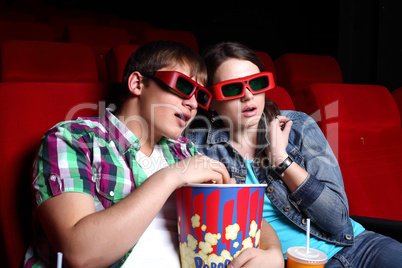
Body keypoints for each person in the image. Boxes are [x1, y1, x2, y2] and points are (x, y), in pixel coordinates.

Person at [24, 40, 283, 268]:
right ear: (137, 83)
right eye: (182, 86)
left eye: (200, 95)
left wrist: (273, 253)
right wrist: (170, 177)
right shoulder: (75, 139)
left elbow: (246, 209)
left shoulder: (184, 151)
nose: (193, 104)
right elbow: (80, 254)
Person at [187, 41, 402, 267]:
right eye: (232, 88)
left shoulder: (298, 125)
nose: (248, 96)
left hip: (358, 247)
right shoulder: (196, 147)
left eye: (256, 84)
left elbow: (338, 221)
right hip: (294, 263)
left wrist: (282, 160)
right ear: (210, 102)